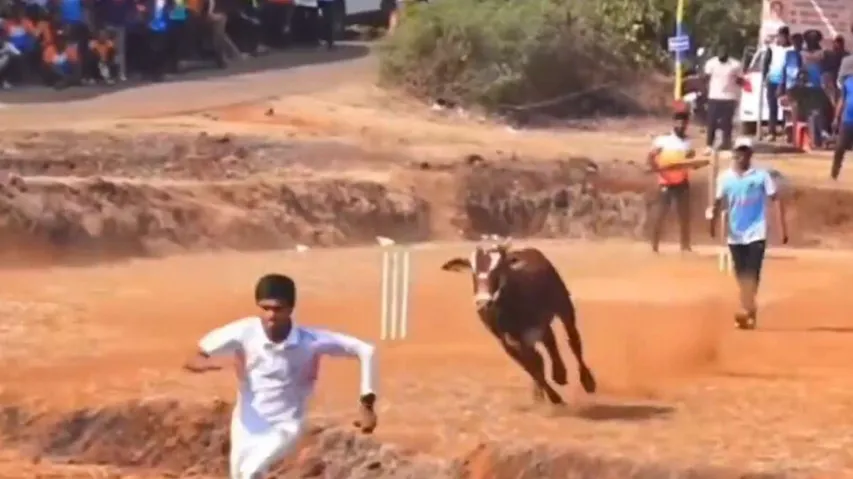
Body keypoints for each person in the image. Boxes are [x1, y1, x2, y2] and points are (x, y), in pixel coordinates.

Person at [184, 273, 378, 479]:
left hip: (285, 425)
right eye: (265, 308)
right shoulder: (243, 332)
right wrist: (209, 364)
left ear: (290, 309)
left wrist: (367, 403)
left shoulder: (310, 341)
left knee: (252, 473)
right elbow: (194, 357)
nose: (271, 315)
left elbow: (366, 350)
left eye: (278, 309)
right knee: (241, 475)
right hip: (245, 424)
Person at [710, 137, 788, 330]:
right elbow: (718, 202)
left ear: (751, 155)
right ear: (735, 153)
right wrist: (711, 222)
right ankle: (749, 310)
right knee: (741, 274)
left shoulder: (761, 176)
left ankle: (745, 309)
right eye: (739, 151)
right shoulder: (725, 178)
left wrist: (782, 227)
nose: (742, 155)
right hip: (735, 235)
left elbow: (775, 199)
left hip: (757, 232)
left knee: (752, 273)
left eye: (746, 152)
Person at [647, 109, 708, 254]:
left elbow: (691, 163)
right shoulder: (663, 141)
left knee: (684, 215)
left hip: (682, 182)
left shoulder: (688, 143)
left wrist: (701, 162)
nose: (681, 125)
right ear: (673, 123)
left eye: (684, 122)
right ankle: (654, 246)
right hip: (665, 182)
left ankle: (685, 246)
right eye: (678, 122)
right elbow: (650, 158)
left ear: (687, 124)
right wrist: (659, 170)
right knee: (661, 214)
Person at [703, 44, 744, 152]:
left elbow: (740, 80)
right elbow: (706, 79)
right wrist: (704, 94)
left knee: (727, 123)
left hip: (729, 97)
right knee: (711, 122)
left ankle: (726, 144)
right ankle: (709, 145)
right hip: (714, 97)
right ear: (717, 53)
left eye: (724, 52)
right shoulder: (711, 64)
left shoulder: (735, 65)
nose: (722, 54)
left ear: (728, 53)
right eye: (720, 52)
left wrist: (741, 85)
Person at [764, 26, 794, 141]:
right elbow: (767, 63)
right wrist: (765, 78)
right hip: (772, 81)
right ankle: (772, 131)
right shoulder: (773, 48)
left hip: (786, 82)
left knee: (786, 108)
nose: (780, 39)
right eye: (779, 36)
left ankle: (788, 132)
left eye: (782, 36)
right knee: (772, 107)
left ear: (787, 37)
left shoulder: (791, 49)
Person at [831, 64, 853, 180]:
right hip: (848, 120)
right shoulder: (848, 82)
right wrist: (836, 117)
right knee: (840, 147)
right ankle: (834, 172)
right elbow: (842, 100)